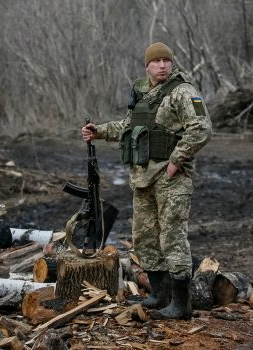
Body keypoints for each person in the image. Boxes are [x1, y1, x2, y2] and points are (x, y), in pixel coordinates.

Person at [81, 42, 212, 320]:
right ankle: (159, 295)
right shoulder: (142, 93)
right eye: (156, 61)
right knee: (144, 237)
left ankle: (181, 305)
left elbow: (201, 129)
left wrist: (177, 160)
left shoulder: (182, 92)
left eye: (166, 60)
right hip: (142, 179)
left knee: (172, 238)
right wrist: (99, 131)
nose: (162, 65)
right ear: (147, 66)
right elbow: (128, 128)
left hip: (171, 178)